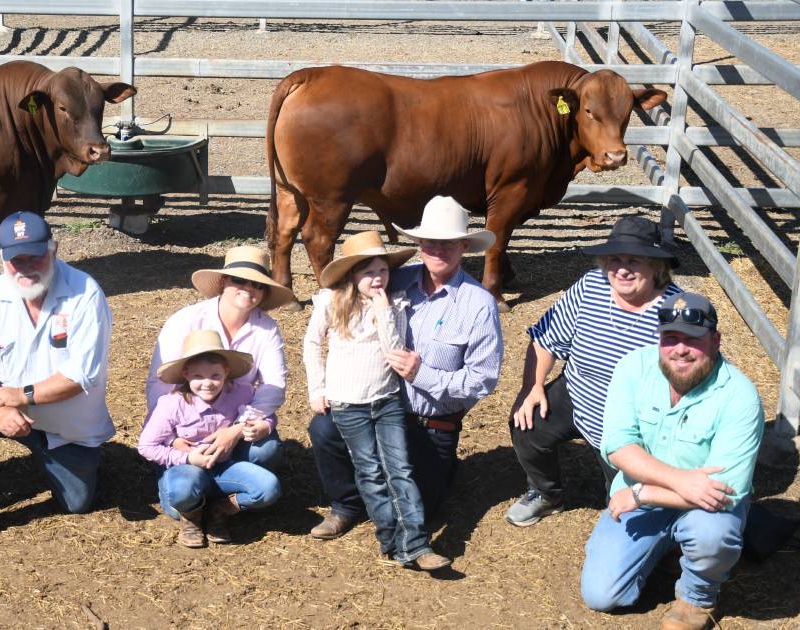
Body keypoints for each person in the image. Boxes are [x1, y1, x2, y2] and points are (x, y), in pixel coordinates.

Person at [308, 195, 503, 540]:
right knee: (324, 428)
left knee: (421, 511)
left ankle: (436, 470)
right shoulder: (395, 280)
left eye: (448, 244)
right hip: (377, 406)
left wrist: (421, 373)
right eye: (430, 242)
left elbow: (481, 381)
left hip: (432, 424)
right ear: (420, 245)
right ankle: (346, 503)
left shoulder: (479, 305)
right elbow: (346, 290)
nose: (438, 250)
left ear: (463, 247)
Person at [581, 292, 763, 630]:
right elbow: (619, 446)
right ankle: (668, 546)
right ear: (660, 340)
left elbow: (723, 492)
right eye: (671, 338)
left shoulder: (740, 395)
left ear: (716, 340)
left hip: (704, 506)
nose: (680, 349)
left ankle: (698, 596)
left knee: (712, 533)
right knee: (601, 596)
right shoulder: (633, 368)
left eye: (693, 339)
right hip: (660, 497)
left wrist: (642, 494)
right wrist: (679, 481)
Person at [0, 211, 113, 554]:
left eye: (34, 255)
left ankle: (75, 462)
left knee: (77, 503)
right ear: (3, 258)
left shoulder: (85, 294)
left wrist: (17, 397)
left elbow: (81, 375)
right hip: (9, 407)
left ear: (54, 248)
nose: (25, 266)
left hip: (68, 430)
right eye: (14, 259)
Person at [506, 215, 682, 527]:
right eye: (615, 259)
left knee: (626, 510)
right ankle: (546, 493)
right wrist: (532, 388)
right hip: (579, 391)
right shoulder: (591, 286)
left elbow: (686, 382)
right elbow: (546, 340)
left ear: (656, 266)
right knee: (526, 424)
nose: (623, 269)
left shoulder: (674, 310)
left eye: (634, 261)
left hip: (633, 418)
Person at [303, 230, 450, 570]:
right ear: (352, 274)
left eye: (382, 270)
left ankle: (416, 544)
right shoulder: (331, 301)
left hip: (385, 401)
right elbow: (311, 344)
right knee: (369, 470)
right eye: (368, 272)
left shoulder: (395, 303)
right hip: (346, 402)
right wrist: (317, 388)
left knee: (399, 468)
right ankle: (391, 540)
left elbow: (394, 349)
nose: (377, 278)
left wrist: (383, 309)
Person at [144, 245, 295, 471]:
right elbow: (161, 380)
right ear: (224, 281)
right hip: (186, 421)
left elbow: (274, 385)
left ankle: (229, 489)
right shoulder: (186, 319)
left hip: (234, 414)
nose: (248, 288)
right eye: (239, 280)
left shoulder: (266, 327)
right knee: (184, 486)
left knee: (265, 451)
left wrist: (236, 428)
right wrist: (171, 436)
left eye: (258, 284)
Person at [139, 330, 282, 548]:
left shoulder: (242, 392)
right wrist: (187, 459)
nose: (207, 383)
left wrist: (264, 425)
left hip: (224, 467)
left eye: (215, 375)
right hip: (187, 466)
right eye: (198, 376)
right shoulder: (171, 404)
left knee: (268, 487)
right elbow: (146, 446)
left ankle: (220, 509)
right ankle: (191, 516)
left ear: (226, 371)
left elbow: (265, 415)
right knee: (179, 498)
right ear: (186, 374)